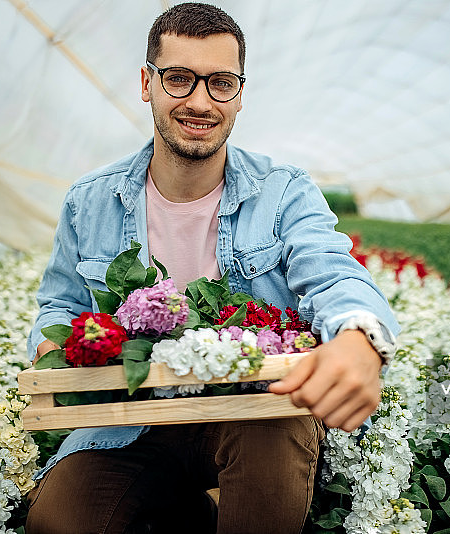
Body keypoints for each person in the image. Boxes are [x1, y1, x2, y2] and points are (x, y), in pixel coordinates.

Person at [25, 3, 399, 533]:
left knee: (267, 475)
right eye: (179, 79)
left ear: (240, 94)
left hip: (256, 407)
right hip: (133, 417)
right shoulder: (91, 201)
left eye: (221, 83)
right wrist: (54, 344)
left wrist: (360, 337)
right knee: (61, 521)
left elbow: (334, 272)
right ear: (147, 83)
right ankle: (193, 510)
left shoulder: (282, 191)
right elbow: (61, 303)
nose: (200, 102)